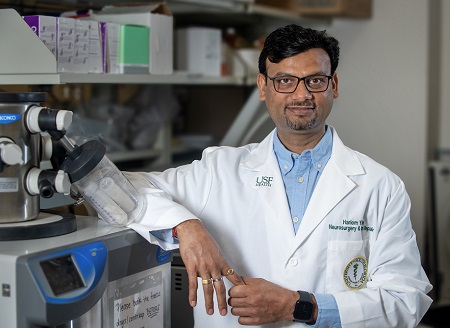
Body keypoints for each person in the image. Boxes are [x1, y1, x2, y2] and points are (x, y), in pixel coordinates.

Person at [124, 24, 432, 327]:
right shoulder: (217, 171)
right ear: (263, 86)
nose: (301, 95)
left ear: (333, 85)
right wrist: (185, 226)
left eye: (315, 81)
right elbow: (122, 189)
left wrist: (299, 307)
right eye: (285, 80)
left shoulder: (380, 185)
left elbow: (405, 300)